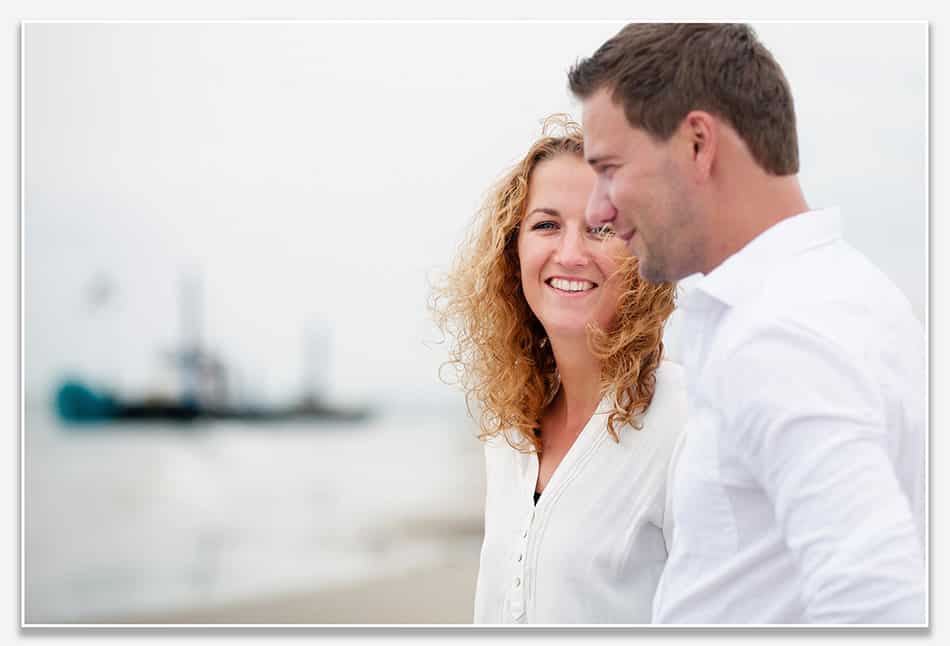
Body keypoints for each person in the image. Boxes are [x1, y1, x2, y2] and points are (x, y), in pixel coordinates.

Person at [569, 23, 926, 624]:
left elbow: (877, 602)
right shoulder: (851, 295)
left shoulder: (780, 334)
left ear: (697, 144)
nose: (596, 208)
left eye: (609, 168)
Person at [432, 115, 687, 624]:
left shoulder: (689, 421)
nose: (570, 254)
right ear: (513, 251)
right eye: (546, 225)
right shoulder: (509, 429)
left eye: (601, 227)